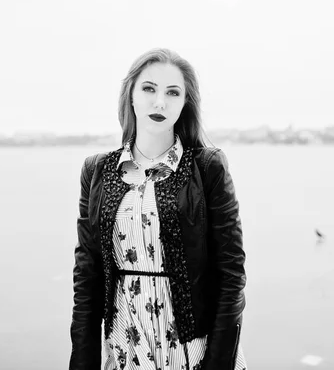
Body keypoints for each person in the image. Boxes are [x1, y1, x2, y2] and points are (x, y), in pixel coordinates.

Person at [69, 48, 247, 370]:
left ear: (185, 103)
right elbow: (87, 278)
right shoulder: (96, 171)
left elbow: (231, 276)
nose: (160, 102)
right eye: (149, 89)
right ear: (132, 96)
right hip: (125, 349)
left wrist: (218, 364)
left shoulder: (208, 169)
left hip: (193, 352)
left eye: (172, 93)